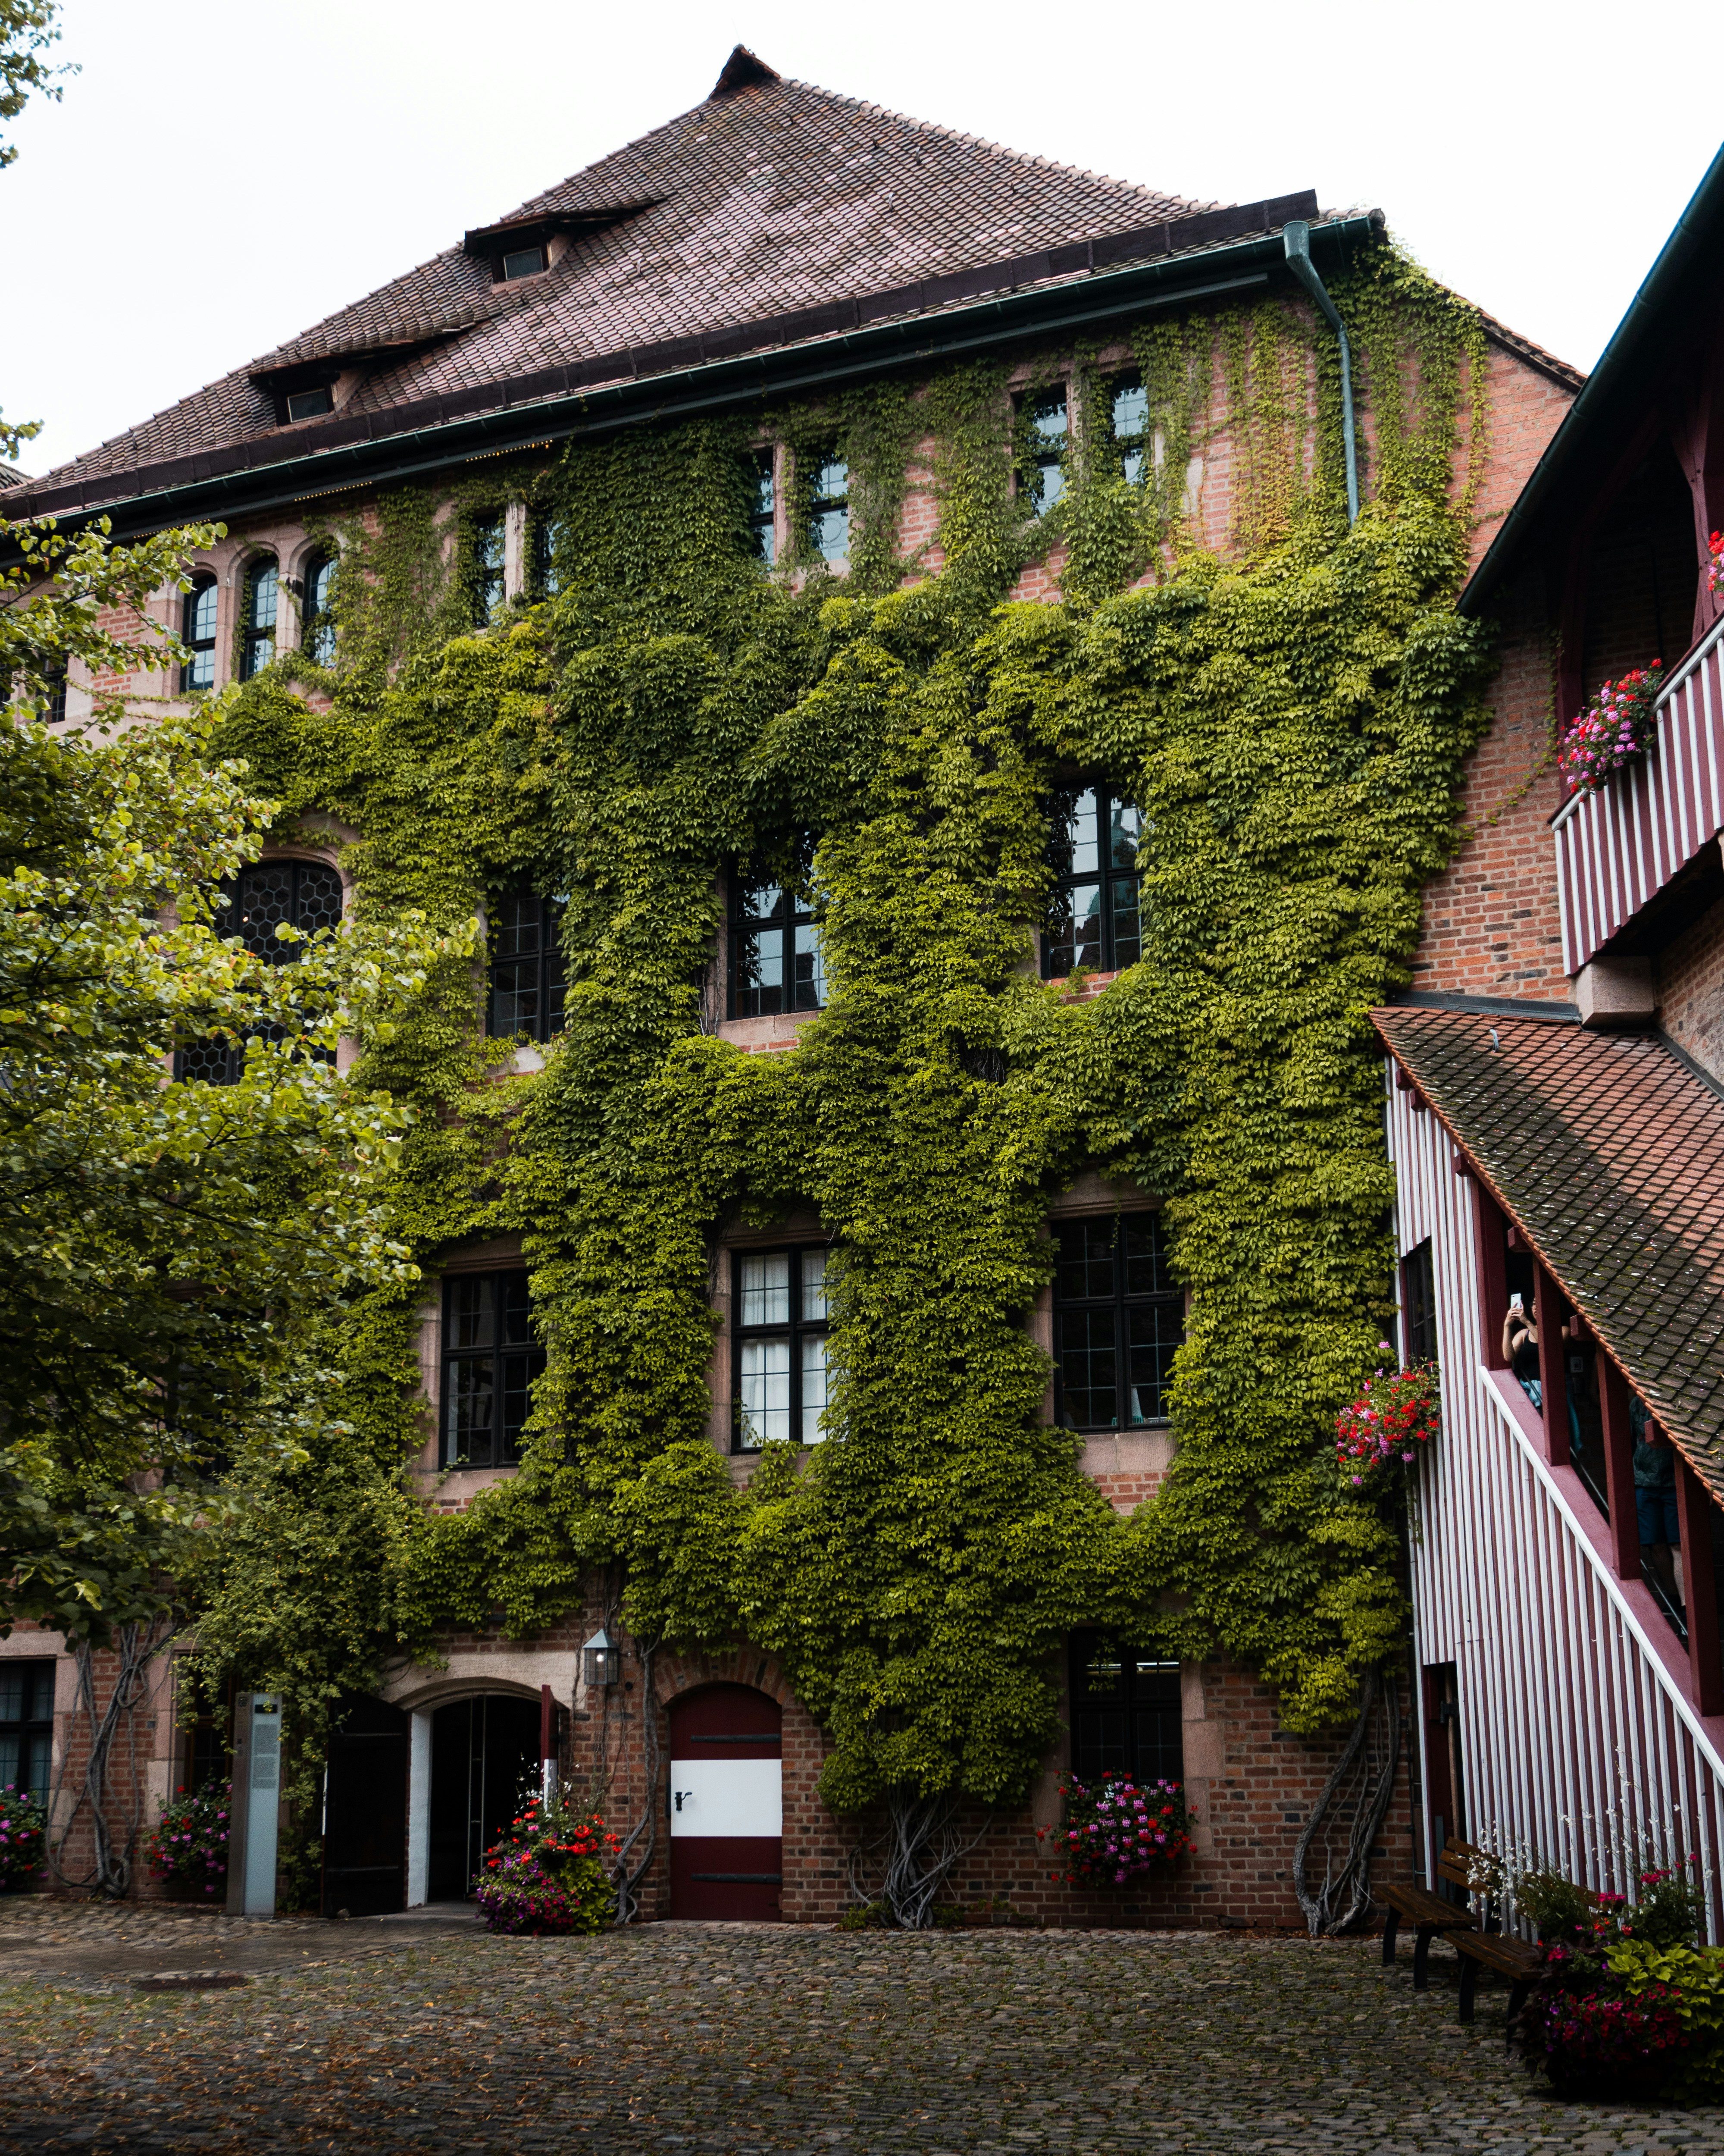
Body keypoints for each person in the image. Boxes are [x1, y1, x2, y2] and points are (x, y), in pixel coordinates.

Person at [1632, 1398, 1683, 1607]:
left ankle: (1686, 1605)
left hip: (1674, 1481)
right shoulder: (1636, 1405)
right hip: (1645, 1482)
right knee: (1655, 1544)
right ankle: (1674, 1600)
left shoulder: (1675, 1401)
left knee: (1678, 1544)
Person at [1502, 1297, 1541, 1410]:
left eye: (1539, 1303)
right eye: (1534, 1304)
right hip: (1529, 1387)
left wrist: (1527, 1322)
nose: (1536, 1307)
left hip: (1550, 1388)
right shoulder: (1524, 1333)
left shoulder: (1563, 1330)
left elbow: (1546, 1346)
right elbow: (1508, 1356)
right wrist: (1507, 1325)